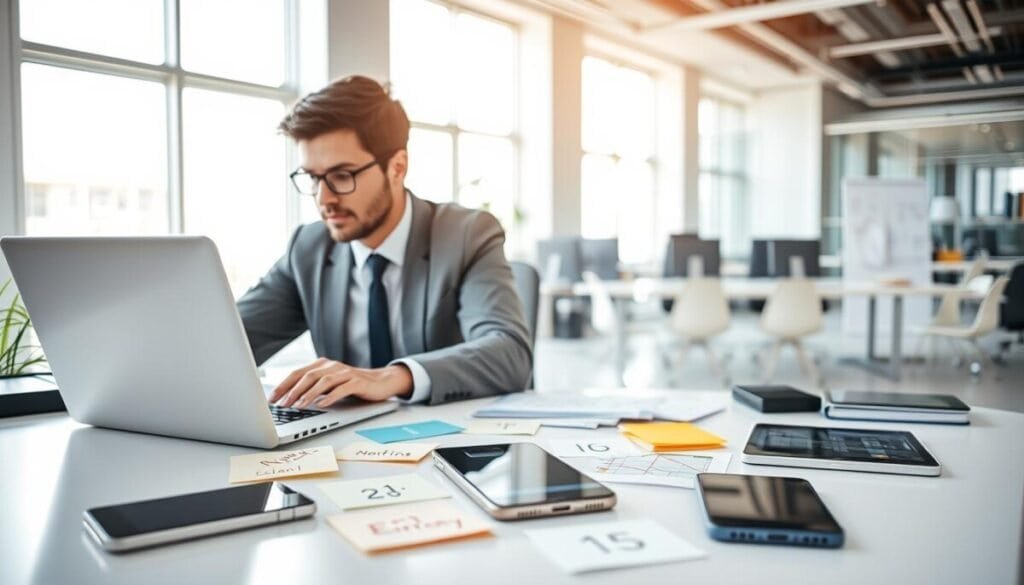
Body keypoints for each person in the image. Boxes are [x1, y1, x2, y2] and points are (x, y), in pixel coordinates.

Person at [237, 75, 531, 408]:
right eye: (313, 178)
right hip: (343, 445)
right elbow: (227, 341)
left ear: (397, 167)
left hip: (450, 447)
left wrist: (388, 378)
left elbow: (510, 354)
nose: (324, 199)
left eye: (341, 176)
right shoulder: (309, 247)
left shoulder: (466, 234)